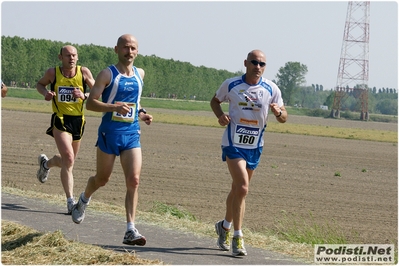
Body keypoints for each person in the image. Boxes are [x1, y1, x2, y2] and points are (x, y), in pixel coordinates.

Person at [71, 34, 153, 247]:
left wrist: (142, 113)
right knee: (102, 179)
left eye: (133, 48)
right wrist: (114, 107)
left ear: (138, 50)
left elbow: (135, 102)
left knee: (134, 180)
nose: (130, 52)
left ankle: (130, 229)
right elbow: (91, 104)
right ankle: (83, 199)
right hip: (109, 133)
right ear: (116, 49)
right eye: (126, 48)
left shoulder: (140, 74)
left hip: (131, 134)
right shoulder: (108, 74)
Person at [210, 50, 287, 256]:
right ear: (246, 63)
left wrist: (278, 113)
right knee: (243, 188)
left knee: (238, 189)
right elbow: (215, 101)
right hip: (233, 143)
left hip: (255, 145)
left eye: (262, 64)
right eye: (254, 62)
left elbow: (284, 115)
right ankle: (238, 237)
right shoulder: (231, 84)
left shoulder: (271, 88)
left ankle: (224, 226)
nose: (258, 67)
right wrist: (220, 116)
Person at [36, 45, 95, 214]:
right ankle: (71, 202)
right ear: (60, 57)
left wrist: (84, 95)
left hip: (78, 121)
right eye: (68, 55)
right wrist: (45, 93)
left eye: (74, 55)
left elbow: (98, 92)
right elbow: (39, 85)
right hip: (60, 119)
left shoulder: (83, 72)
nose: (72, 58)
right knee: (68, 158)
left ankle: (46, 164)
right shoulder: (53, 73)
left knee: (67, 162)